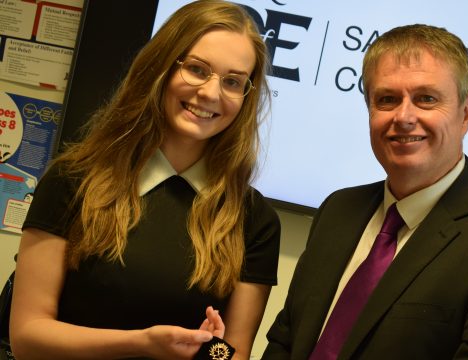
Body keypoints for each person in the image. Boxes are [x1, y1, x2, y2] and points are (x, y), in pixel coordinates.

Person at [263, 24, 468, 359]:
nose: (404, 117)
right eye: (387, 99)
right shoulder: (338, 210)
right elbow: (285, 342)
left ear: (465, 114)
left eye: (426, 99)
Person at [9, 1, 280, 359]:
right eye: (197, 70)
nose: (212, 94)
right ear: (161, 68)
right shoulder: (73, 180)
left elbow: (230, 356)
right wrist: (141, 344)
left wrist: (206, 348)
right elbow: (27, 338)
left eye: (233, 81)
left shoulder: (254, 220)